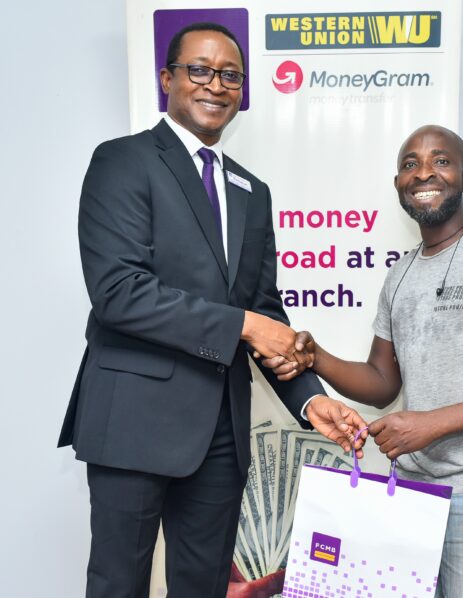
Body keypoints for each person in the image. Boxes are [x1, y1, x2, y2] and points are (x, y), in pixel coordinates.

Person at [57, 22, 366, 598]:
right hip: (133, 423)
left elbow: (264, 314)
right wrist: (244, 325)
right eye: (199, 69)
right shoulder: (122, 162)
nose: (215, 85)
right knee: (118, 584)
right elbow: (120, 292)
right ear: (167, 78)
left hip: (222, 432)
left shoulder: (254, 191)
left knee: (204, 587)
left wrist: (313, 399)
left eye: (230, 75)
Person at [263, 125, 463, 598]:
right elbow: (382, 381)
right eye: (410, 164)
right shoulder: (401, 273)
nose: (424, 172)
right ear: (397, 185)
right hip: (411, 497)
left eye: (440, 161)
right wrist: (316, 358)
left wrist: (431, 424)